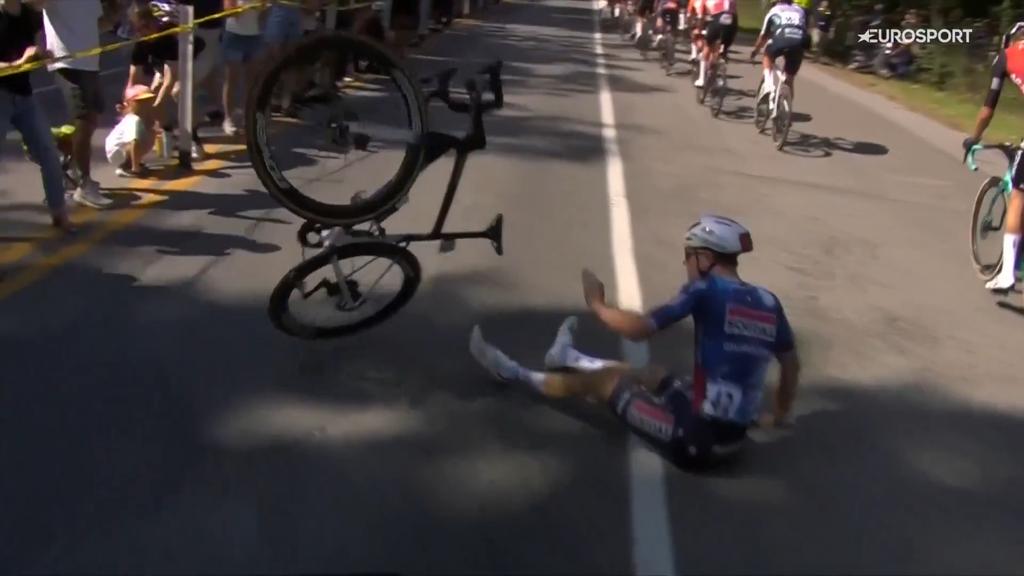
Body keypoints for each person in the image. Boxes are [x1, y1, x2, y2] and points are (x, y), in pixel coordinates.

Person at [469, 215, 801, 470]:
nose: (684, 264)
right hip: (733, 438)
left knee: (602, 385)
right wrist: (780, 414)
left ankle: (513, 373)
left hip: (696, 442)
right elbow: (790, 363)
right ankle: (568, 356)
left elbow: (640, 329)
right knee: (654, 374)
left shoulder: (705, 290)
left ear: (704, 258)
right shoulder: (767, 301)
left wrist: (598, 305)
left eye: (687, 256)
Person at [0, 0, 75, 231]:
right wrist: (19, 62)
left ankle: (59, 215)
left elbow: (40, 44)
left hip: (24, 96)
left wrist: (43, 54)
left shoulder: (29, 14)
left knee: (49, 153)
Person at [964, 22, 1024, 293]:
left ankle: (1007, 273)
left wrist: (974, 138)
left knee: (1019, 197)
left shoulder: (1007, 57)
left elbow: (987, 111)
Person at [38, 0, 114, 208]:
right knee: (84, 119)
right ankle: (84, 184)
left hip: (90, 61)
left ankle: (65, 160)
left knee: (91, 120)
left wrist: (116, 13)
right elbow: (32, 6)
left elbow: (99, 23)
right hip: (66, 61)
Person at [126, 0, 209, 161]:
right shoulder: (141, 41)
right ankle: (167, 132)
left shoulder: (168, 36)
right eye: (139, 29)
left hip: (193, 57)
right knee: (150, 94)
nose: (143, 32)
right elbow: (133, 78)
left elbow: (170, 79)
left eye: (146, 27)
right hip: (166, 64)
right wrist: (128, 102)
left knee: (179, 92)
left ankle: (194, 140)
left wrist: (154, 104)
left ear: (153, 22)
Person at [750, 0, 808, 109]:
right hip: (798, 44)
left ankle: (768, 85)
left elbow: (763, 37)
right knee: (789, 78)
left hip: (781, 40)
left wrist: (755, 51)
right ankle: (786, 108)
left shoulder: (774, 11)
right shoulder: (800, 10)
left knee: (767, 56)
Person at [221, 0, 263, 136]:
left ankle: (248, 117)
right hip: (234, 36)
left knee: (252, 81)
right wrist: (243, 8)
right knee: (232, 79)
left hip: (255, 37)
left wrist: (262, 7)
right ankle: (228, 119)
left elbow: (264, 13)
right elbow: (228, 11)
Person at [106, 84, 158, 177]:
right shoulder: (133, 119)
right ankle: (129, 167)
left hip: (121, 149)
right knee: (139, 140)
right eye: (140, 102)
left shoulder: (140, 118)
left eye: (148, 101)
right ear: (131, 103)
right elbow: (133, 141)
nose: (145, 104)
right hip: (117, 152)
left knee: (151, 133)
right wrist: (136, 167)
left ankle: (131, 162)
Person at [693, 0, 737, 88]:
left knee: (708, 46)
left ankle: (701, 79)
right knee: (722, 48)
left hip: (717, 19)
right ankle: (722, 57)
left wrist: (699, 29)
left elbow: (701, 17)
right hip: (732, 21)